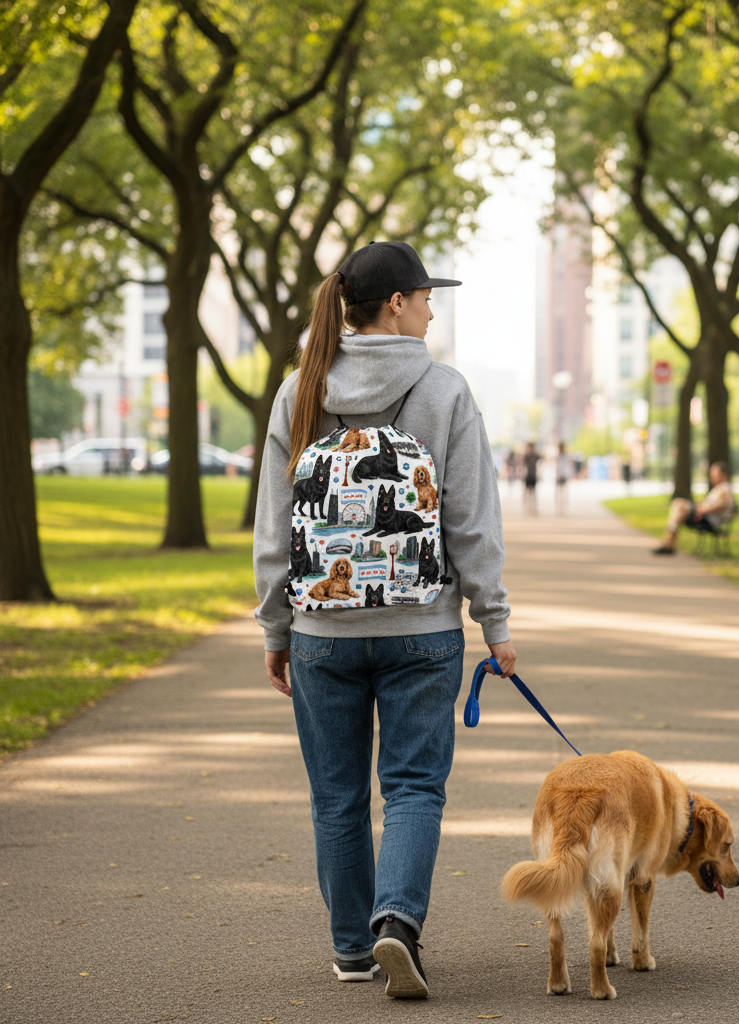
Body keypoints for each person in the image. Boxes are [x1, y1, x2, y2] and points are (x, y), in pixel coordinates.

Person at [254, 240, 516, 1000]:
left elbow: (274, 530)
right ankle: (396, 922)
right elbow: (473, 522)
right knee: (411, 788)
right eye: (426, 296)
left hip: (320, 635)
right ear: (395, 304)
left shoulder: (298, 392)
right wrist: (493, 623)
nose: (434, 308)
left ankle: (351, 951)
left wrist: (277, 629)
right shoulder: (444, 390)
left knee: (336, 797)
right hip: (423, 627)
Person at [652, 462, 735, 554]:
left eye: (714, 473)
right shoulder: (720, 488)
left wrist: (702, 509)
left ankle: (669, 544)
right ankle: (669, 544)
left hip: (710, 521)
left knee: (678, 505)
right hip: (706, 518)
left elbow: (719, 508)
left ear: (723, 474)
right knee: (678, 506)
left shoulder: (724, 489)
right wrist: (700, 505)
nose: (712, 476)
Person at [522, 441, 541, 514]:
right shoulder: (526, 456)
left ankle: (533, 507)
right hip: (528, 475)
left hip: (533, 475)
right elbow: (523, 466)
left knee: (534, 492)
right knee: (527, 492)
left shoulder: (535, 456)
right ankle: (527, 507)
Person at [555, 442, 573, 514]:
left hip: (564, 475)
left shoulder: (566, 456)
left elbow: (569, 465)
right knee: (558, 492)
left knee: (564, 492)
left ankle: (564, 506)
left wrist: (570, 474)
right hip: (559, 475)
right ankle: (559, 506)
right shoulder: (558, 456)